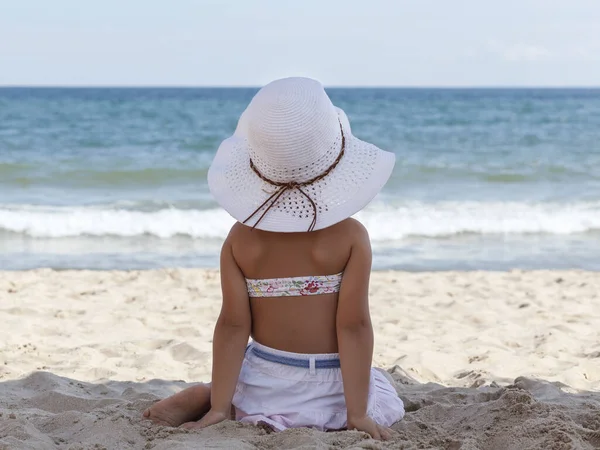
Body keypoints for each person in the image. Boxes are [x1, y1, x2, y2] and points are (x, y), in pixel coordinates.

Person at [143, 77, 405, 440]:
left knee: (242, 391)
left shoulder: (240, 240)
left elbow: (233, 327)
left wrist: (220, 408)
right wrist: (358, 414)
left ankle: (216, 401)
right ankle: (319, 408)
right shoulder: (350, 238)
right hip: (330, 388)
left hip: (265, 385)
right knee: (383, 386)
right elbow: (353, 327)